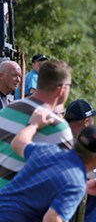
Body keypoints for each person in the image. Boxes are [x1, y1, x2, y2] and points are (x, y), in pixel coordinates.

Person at [0, 59, 74, 189]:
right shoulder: (58, 127)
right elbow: (67, 181)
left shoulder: (7, 110)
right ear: (61, 89)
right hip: (21, 206)